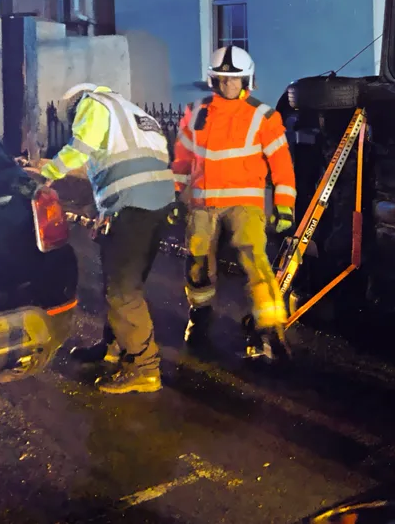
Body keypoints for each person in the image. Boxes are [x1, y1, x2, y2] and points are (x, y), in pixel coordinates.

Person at [42, 83, 175, 394]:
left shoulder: (92, 104)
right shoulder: (132, 112)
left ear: (74, 107)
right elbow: (123, 164)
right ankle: (114, 347)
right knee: (122, 283)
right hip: (155, 205)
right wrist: (103, 209)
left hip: (133, 207)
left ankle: (144, 368)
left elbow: (79, 150)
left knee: (122, 291)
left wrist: (48, 172)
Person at [171, 45, 297, 358]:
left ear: (247, 80)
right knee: (197, 263)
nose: (228, 85)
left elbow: (282, 165)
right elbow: (183, 160)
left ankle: (269, 329)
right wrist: (175, 196)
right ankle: (199, 317)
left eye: (234, 79)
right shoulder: (196, 111)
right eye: (222, 79)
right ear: (212, 80)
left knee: (254, 259)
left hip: (244, 203)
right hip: (202, 203)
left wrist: (284, 206)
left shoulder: (263, 116)